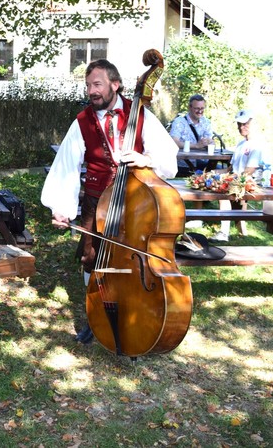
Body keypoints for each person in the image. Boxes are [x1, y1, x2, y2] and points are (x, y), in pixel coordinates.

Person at [40, 59, 178, 344]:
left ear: (115, 85)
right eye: (88, 85)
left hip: (134, 202)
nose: (92, 91)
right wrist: (61, 208)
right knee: (92, 257)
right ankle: (95, 317)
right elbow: (66, 165)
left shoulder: (140, 114)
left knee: (134, 260)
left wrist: (145, 159)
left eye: (98, 84)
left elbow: (168, 157)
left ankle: (136, 314)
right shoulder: (82, 121)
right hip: (96, 201)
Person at [211, 110, 269, 242]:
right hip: (239, 179)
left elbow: (249, 171)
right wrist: (213, 173)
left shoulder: (257, 144)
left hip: (253, 182)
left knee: (223, 193)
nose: (241, 127)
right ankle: (241, 231)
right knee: (216, 183)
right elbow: (230, 169)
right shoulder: (241, 144)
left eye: (245, 124)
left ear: (253, 123)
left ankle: (224, 233)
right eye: (239, 124)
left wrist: (227, 179)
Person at [169, 94, 216, 175]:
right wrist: (196, 146)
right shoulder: (179, 122)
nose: (200, 111)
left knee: (217, 171)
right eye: (197, 108)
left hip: (202, 163)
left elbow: (211, 142)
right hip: (182, 165)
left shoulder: (206, 122)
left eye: (202, 108)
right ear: (189, 107)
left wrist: (210, 143)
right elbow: (174, 142)